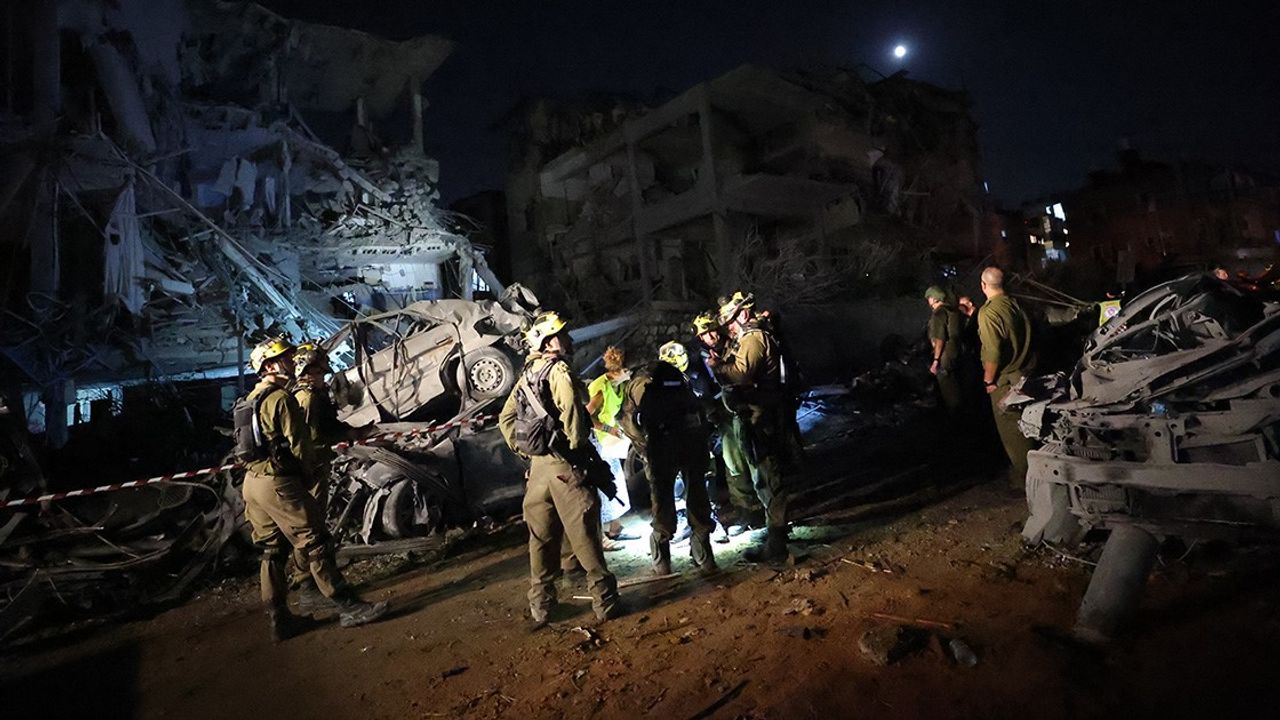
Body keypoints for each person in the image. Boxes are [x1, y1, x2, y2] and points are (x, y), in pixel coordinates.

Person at [240, 336, 388, 641]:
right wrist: (306, 478)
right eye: (284, 358)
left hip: (253, 483)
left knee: (272, 550)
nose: (290, 362)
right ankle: (348, 606)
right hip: (279, 483)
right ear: (269, 366)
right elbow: (301, 446)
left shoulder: (250, 398)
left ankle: (279, 619)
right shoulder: (282, 399)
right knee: (316, 541)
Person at [499, 311, 622, 626]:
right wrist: (578, 450)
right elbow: (572, 413)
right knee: (585, 535)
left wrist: (527, 452)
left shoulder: (528, 373)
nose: (568, 338)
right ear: (549, 342)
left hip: (539, 471)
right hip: (565, 467)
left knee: (541, 540)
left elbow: (506, 419)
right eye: (562, 334)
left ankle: (542, 606)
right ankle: (605, 603)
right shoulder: (559, 370)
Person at [617, 342, 717, 575]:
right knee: (698, 497)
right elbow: (700, 412)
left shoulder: (640, 383)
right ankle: (704, 556)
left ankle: (662, 562)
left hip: (661, 448)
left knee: (662, 501)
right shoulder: (680, 379)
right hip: (691, 444)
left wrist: (645, 447)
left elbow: (628, 421)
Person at [709, 292, 790, 564]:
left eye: (731, 321)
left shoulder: (754, 338)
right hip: (754, 415)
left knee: (768, 477)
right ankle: (775, 533)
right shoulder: (747, 337)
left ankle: (777, 544)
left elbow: (742, 374)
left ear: (743, 313)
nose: (729, 328)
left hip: (762, 417)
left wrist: (719, 367)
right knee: (762, 477)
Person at [690, 312, 752, 540]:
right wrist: (710, 411)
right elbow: (701, 390)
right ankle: (746, 511)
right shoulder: (698, 361)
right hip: (723, 416)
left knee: (756, 459)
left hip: (746, 408)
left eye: (712, 330)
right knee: (734, 463)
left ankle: (767, 508)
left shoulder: (736, 346)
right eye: (705, 334)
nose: (711, 336)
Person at [976, 268, 1038, 489]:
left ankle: (1028, 481)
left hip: (1006, 380)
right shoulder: (1017, 304)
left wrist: (988, 381)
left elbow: (993, 352)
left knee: (1013, 433)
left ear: (983, 285)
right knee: (1031, 426)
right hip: (1027, 373)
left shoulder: (989, 312)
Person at [585, 346, 635, 549]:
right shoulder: (601, 387)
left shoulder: (618, 385)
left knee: (615, 482)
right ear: (620, 369)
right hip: (598, 440)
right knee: (603, 484)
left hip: (610, 440)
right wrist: (608, 429)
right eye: (628, 370)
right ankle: (601, 537)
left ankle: (616, 528)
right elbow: (586, 416)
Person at [924, 286, 965, 417]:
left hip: (945, 356)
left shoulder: (939, 313)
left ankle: (956, 418)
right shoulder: (953, 311)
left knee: (949, 391)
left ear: (933, 298)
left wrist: (936, 360)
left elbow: (939, 338)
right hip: (957, 352)